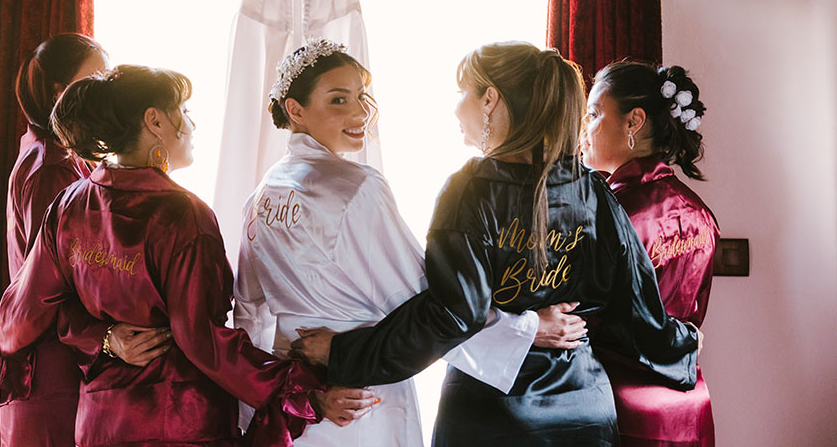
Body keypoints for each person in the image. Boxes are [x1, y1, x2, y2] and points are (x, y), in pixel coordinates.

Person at [292, 42, 702, 446]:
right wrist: (685, 344)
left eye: (462, 92)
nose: (456, 109)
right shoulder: (594, 192)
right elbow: (637, 312)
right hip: (584, 410)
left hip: (493, 416)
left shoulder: (470, 191)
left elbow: (452, 315)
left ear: (489, 99)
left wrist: (344, 354)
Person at [0, 64, 371, 446]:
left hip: (99, 423)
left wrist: (103, 337)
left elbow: (24, 310)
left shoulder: (69, 205)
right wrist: (301, 391)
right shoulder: (182, 215)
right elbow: (203, 341)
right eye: (185, 111)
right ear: (155, 121)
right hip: (179, 421)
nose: (192, 125)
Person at [235, 38, 588, 446]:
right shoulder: (357, 189)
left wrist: (275, 403)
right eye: (338, 100)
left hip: (300, 409)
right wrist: (526, 329)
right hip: (361, 398)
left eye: (361, 96)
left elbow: (249, 314)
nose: (360, 112)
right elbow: (427, 301)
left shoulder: (261, 196)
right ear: (295, 110)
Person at [0, 34, 168, 446]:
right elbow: (48, 285)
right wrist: (106, 338)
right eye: (97, 76)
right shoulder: (52, 169)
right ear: (60, 92)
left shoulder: (57, 155)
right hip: (52, 370)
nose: (107, 86)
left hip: (60, 358)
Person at [582, 61, 720, 446]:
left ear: (634, 121)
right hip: (689, 406)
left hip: (619, 408)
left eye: (593, 114)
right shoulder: (701, 214)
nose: (583, 129)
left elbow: (584, 321)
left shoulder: (607, 213)